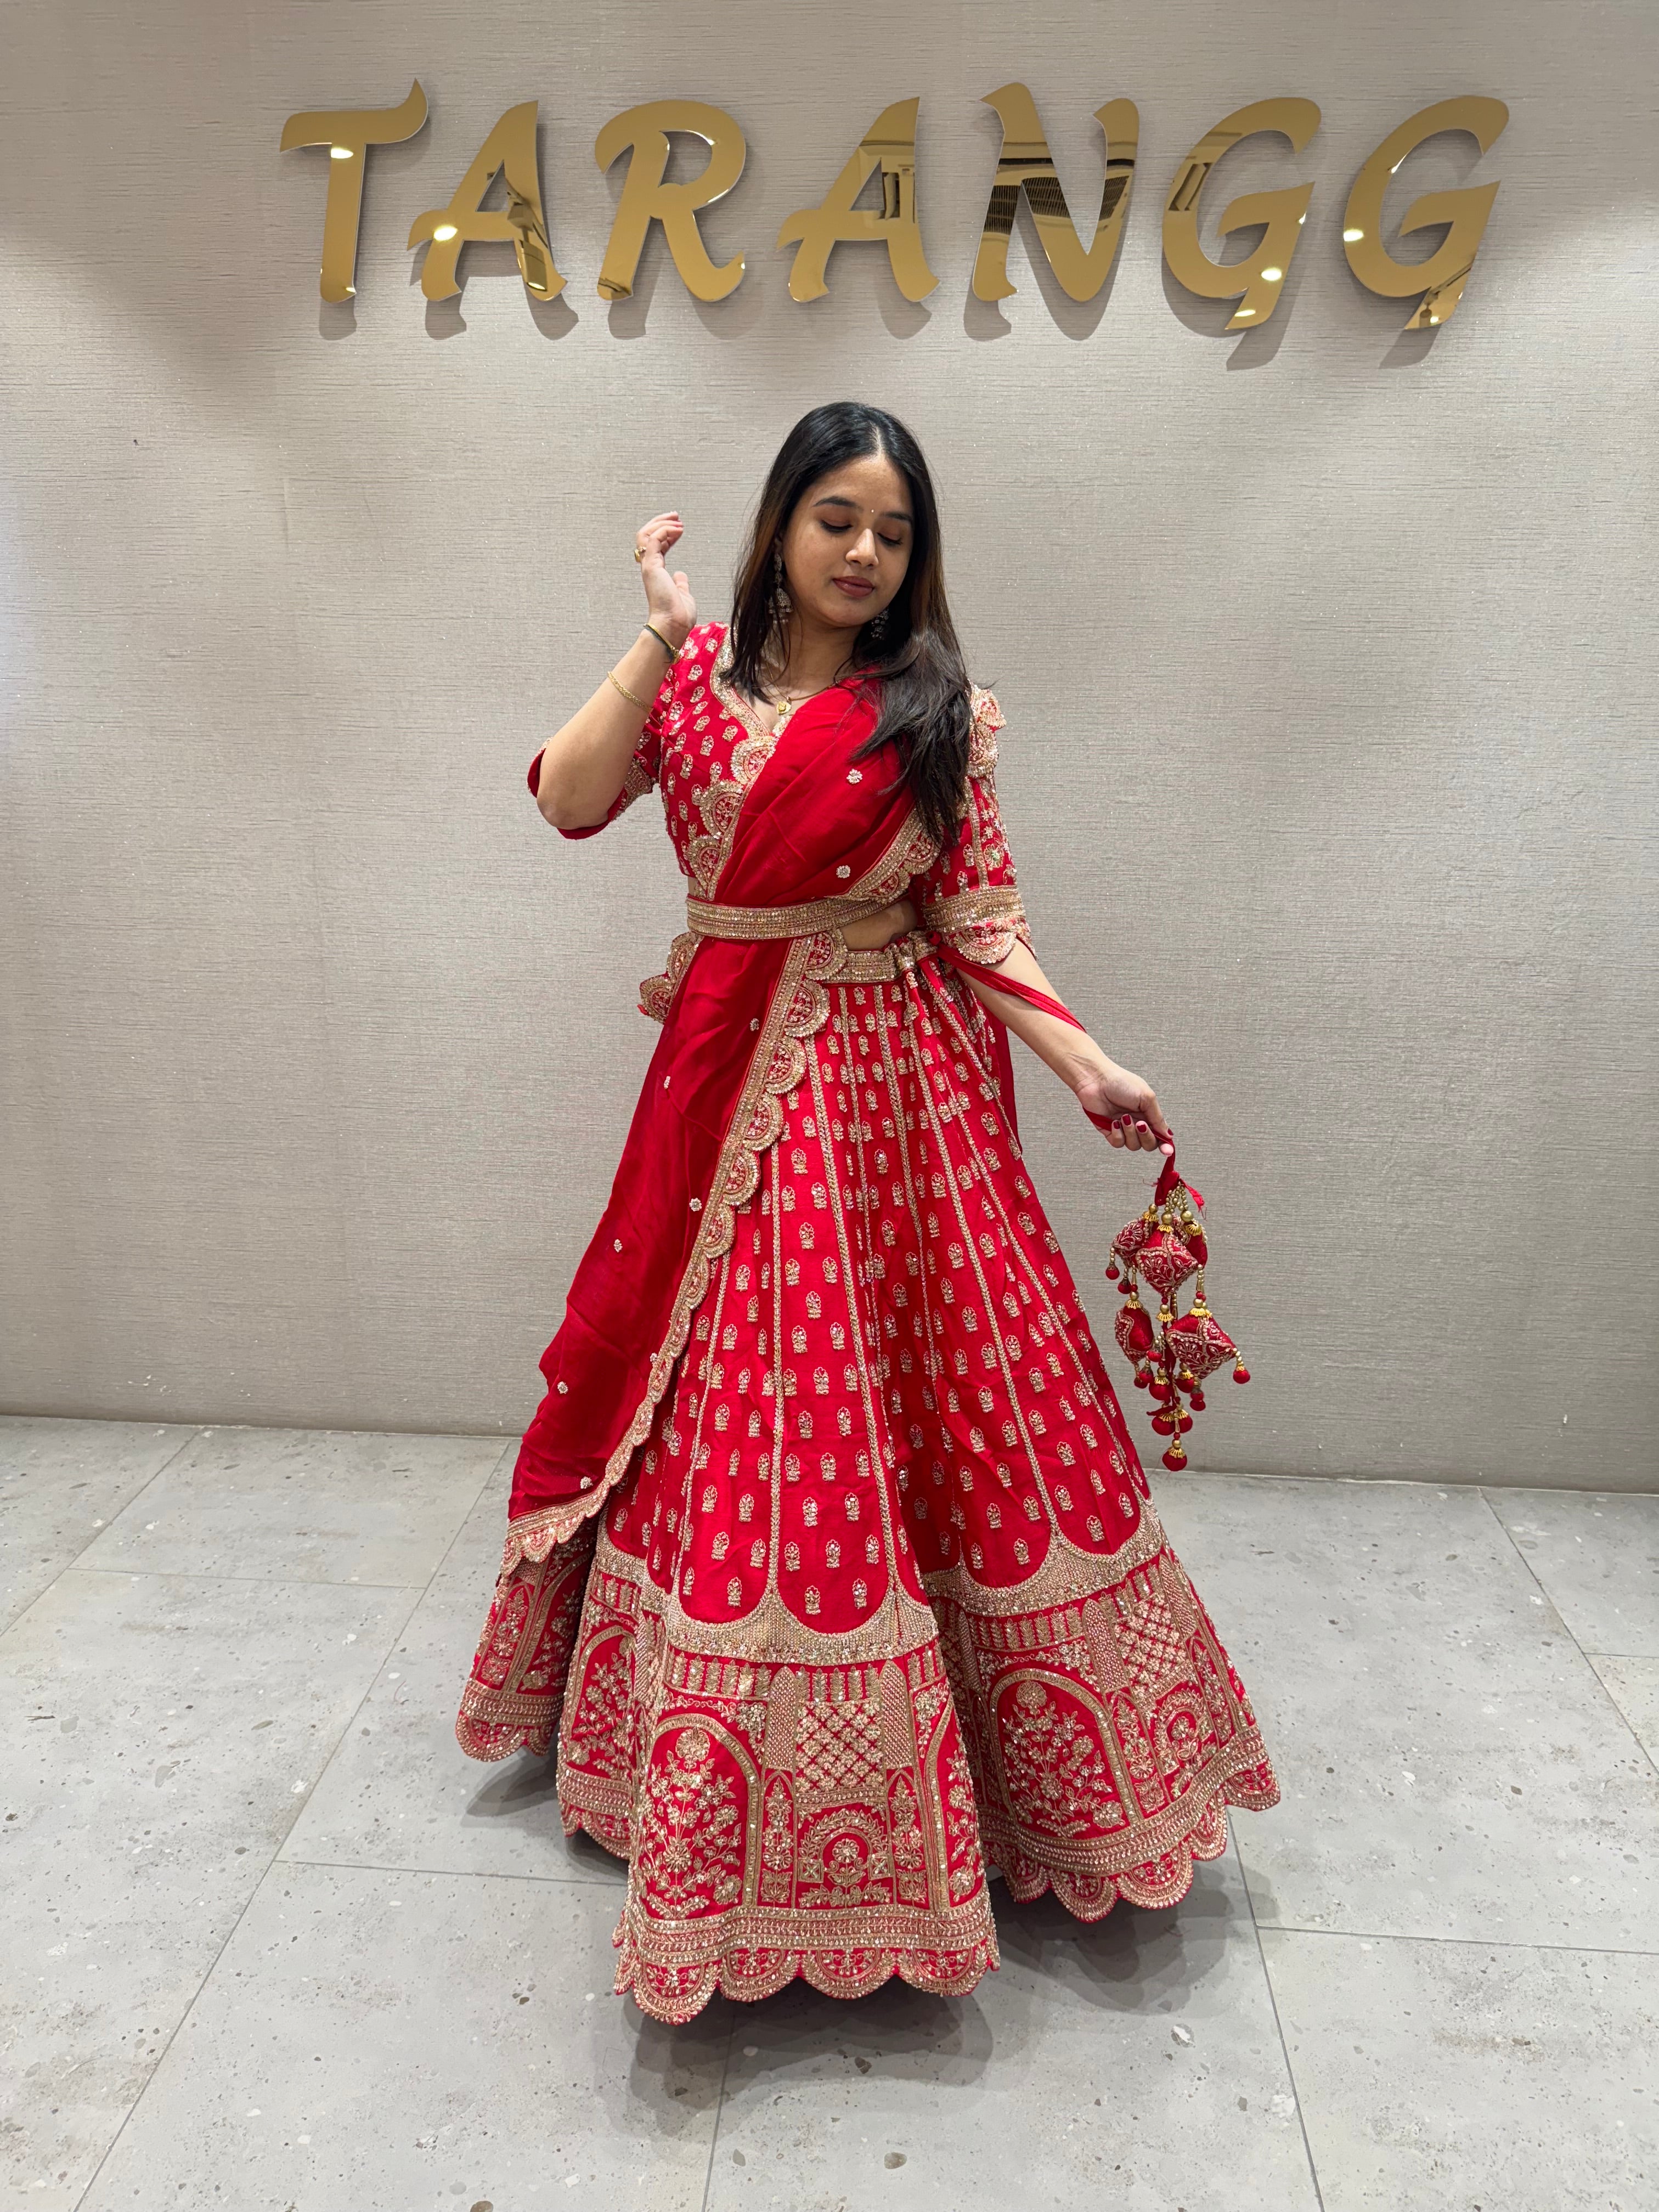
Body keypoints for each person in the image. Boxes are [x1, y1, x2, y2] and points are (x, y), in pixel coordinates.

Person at [457, 401, 1277, 2025]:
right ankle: (720, 1782)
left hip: (898, 1097)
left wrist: (1084, 1062)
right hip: (724, 1086)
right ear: (780, 524)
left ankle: (992, 1776)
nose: (864, 553)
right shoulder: (696, 681)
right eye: (837, 517)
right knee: (739, 1403)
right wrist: (656, 637)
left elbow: (979, 916)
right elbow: (564, 796)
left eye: (894, 532)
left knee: (932, 1399)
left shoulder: (937, 715)